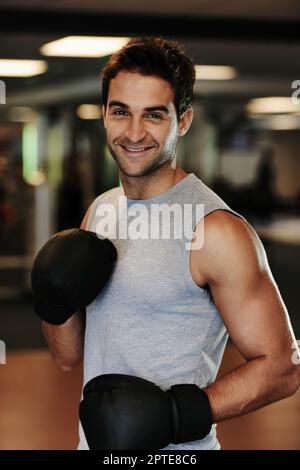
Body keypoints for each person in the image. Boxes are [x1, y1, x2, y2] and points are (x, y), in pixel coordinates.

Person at [42, 37, 300, 450]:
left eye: (154, 115)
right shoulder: (101, 211)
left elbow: (283, 367)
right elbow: (68, 356)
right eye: (120, 111)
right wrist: (54, 302)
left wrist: (177, 415)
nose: (134, 132)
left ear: (183, 121)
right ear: (104, 116)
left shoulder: (215, 230)